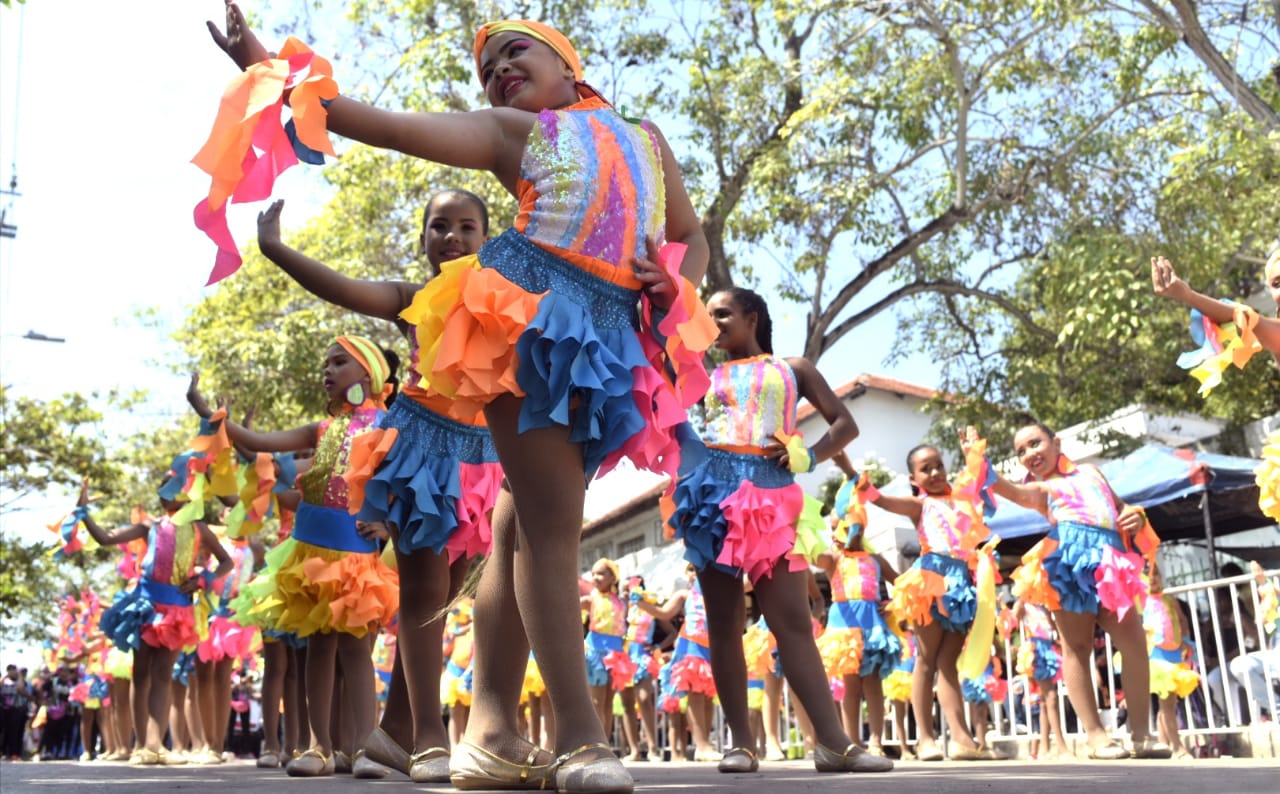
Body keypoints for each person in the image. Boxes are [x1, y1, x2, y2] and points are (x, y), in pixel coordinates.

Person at [206, 6, 712, 792]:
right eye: (488, 68)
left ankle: (491, 731)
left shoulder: (647, 138)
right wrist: (264, 62)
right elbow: (378, 123)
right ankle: (581, 741)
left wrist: (676, 277)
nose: (499, 69)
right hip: (524, 316)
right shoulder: (517, 133)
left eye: (516, 53)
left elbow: (690, 233)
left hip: (609, 333)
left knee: (518, 528)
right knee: (550, 527)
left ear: (568, 64)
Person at [253, 191, 498, 783]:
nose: (452, 236)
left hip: (484, 462)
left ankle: (392, 734)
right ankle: (431, 741)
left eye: (468, 227)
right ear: (422, 240)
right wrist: (276, 248)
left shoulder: (507, 297)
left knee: (447, 598)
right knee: (421, 593)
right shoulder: (413, 299)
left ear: (490, 241)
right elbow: (341, 286)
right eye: (439, 226)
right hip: (419, 454)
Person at [664, 287, 891, 775]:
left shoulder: (795, 368)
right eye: (708, 315)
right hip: (714, 502)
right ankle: (741, 746)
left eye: (723, 314)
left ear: (753, 317)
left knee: (792, 625)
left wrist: (804, 454)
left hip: (774, 500)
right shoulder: (702, 372)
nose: (714, 322)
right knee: (724, 626)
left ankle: (834, 744)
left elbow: (844, 425)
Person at [186, 337, 400, 777]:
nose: (328, 370)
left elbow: (405, 483)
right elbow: (258, 442)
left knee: (357, 656)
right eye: (326, 363)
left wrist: (386, 524)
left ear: (369, 374)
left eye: (339, 362)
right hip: (309, 555)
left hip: (358, 556)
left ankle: (364, 748)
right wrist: (208, 412)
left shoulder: (390, 427)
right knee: (319, 649)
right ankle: (317, 747)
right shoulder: (319, 431)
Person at [991, 418, 1170, 758]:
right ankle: (1095, 737)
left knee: (1133, 643)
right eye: (1021, 451)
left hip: (1109, 562)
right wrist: (981, 468)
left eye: (1035, 443)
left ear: (1056, 442)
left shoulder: (1091, 472)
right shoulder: (1043, 489)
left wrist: (1137, 516)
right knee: (1077, 647)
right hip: (1069, 562)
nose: (1029, 453)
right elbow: (1016, 492)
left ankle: (1141, 735)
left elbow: (1121, 508)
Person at [85, 473, 233, 765]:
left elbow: (225, 562)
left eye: (174, 485)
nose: (165, 490)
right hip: (146, 606)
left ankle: (156, 744)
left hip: (178, 609)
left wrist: (204, 579)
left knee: (163, 675)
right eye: (162, 485)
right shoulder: (149, 526)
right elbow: (105, 538)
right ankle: (141, 745)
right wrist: (82, 512)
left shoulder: (199, 529)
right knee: (141, 674)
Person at [869, 440, 1000, 761]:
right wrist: (854, 476)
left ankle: (960, 739)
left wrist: (974, 454)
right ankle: (925, 739)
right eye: (925, 469)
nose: (935, 472)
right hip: (930, 580)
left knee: (949, 664)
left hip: (959, 584)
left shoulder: (960, 501)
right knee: (926, 661)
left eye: (939, 465)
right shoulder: (920, 505)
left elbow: (982, 487)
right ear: (914, 479)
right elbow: (882, 500)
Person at [816, 453, 902, 756]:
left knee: (873, 685)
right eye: (838, 527)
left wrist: (890, 603)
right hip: (843, 627)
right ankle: (852, 741)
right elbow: (815, 556)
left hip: (872, 625)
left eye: (854, 526)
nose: (847, 532)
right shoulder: (834, 559)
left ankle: (877, 740)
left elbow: (898, 582)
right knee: (850, 686)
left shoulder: (875, 558)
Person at [633, 565, 720, 762]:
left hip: (711, 648)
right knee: (696, 694)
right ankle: (702, 745)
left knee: (708, 697)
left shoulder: (717, 590)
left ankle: (704, 743)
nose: (694, 572)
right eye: (690, 569)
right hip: (691, 647)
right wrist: (641, 604)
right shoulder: (685, 594)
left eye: (697, 569)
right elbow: (664, 613)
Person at [1143, 563, 1198, 759]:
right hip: (1156, 656)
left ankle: (1164, 744)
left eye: (1156, 574)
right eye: (1147, 575)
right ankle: (1177, 747)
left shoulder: (1170, 600)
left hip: (1174, 654)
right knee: (1166, 703)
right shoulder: (1142, 603)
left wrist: (1185, 639)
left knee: (1168, 703)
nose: (1152, 578)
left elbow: (1182, 620)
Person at [580, 559, 635, 744]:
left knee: (608, 703)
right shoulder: (590, 599)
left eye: (601, 573)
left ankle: (605, 744)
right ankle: (596, 744)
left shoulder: (621, 602)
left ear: (613, 578)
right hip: (596, 652)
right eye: (593, 573)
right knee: (596, 702)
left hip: (616, 655)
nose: (595, 577)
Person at [1013, 599, 1065, 759]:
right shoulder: (1024, 604)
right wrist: (1021, 599)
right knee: (1050, 697)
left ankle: (1045, 748)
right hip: (1036, 650)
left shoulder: (1043, 605)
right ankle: (1061, 747)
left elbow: (1053, 627)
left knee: (1044, 702)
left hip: (1049, 648)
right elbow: (1016, 616)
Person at [619, 575, 663, 762]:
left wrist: (656, 647)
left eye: (632, 589)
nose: (628, 593)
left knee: (644, 699)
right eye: (626, 589)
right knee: (627, 705)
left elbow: (671, 631)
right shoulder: (619, 608)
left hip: (643, 656)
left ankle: (653, 749)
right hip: (623, 656)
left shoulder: (649, 609)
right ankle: (635, 750)